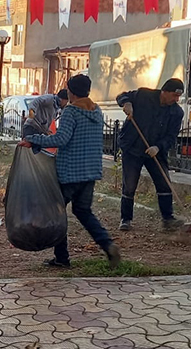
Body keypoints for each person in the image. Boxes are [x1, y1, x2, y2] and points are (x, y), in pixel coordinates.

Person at [20, 74, 121, 270]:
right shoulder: (96, 110)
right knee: (83, 211)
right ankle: (107, 245)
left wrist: (35, 140)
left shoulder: (71, 112)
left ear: (71, 92)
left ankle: (62, 257)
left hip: (70, 173)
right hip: (91, 171)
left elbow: (61, 139)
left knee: (56, 213)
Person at [116, 78, 185, 232]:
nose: (176, 100)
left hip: (155, 151)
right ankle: (126, 219)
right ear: (164, 92)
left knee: (164, 182)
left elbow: (171, 137)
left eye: (178, 97)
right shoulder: (143, 95)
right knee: (130, 184)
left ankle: (168, 219)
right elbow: (122, 96)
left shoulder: (176, 112)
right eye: (174, 95)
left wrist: (158, 147)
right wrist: (126, 103)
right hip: (132, 147)